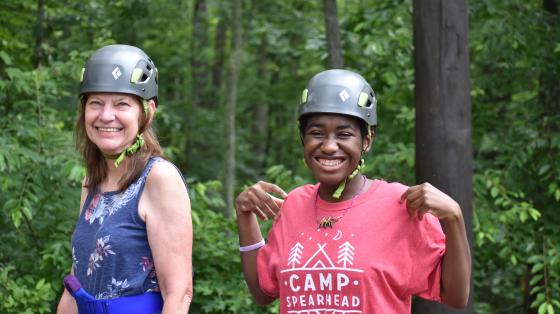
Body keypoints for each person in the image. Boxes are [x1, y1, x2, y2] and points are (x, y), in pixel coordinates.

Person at [235, 69, 471, 313]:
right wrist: (244, 214)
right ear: (302, 139)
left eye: (344, 134)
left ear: (366, 140)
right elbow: (263, 292)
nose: (328, 146)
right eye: (316, 133)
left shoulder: (401, 205)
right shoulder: (294, 204)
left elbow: (455, 295)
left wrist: (455, 217)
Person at [56, 44, 193, 313]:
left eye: (121, 104)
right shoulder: (92, 181)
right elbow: (77, 284)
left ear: (147, 111)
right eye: (96, 103)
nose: (106, 116)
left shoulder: (158, 178)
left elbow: (179, 293)